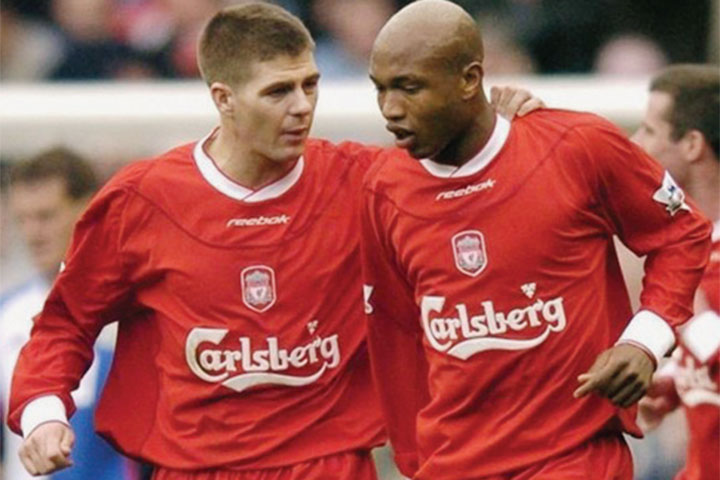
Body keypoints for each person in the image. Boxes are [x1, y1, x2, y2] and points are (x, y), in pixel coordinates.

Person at [6, 3, 541, 478]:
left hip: (329, 463)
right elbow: (65, 322)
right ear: (224, 98)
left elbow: (477, 191)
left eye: (310, 84)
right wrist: (43, 413)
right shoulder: (144, 200)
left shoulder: (364, 181)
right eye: (278, 91)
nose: (302, 105)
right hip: (198, 467)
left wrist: (504, 130)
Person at [360, 2, 713, 479]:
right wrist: (415, 460)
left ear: (470, 79)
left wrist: (646, 340)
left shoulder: (574, 146)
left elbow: (681, 232)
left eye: (409, 87)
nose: (390, 109)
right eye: (380, 89)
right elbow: (395, 329)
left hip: (572, 457)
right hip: (455, 462)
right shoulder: (384, 187)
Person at [0, 147, 142, 480]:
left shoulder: (132, 309)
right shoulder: (6, 315)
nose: (33, 233)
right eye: (22, 219)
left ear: (87, 209)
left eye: (46, 216)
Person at [631, 64, 719, 480]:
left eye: (650, 131)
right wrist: (673, 380)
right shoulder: (699, 250)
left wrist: (692, 323)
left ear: (692, 144)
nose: (636, 143)